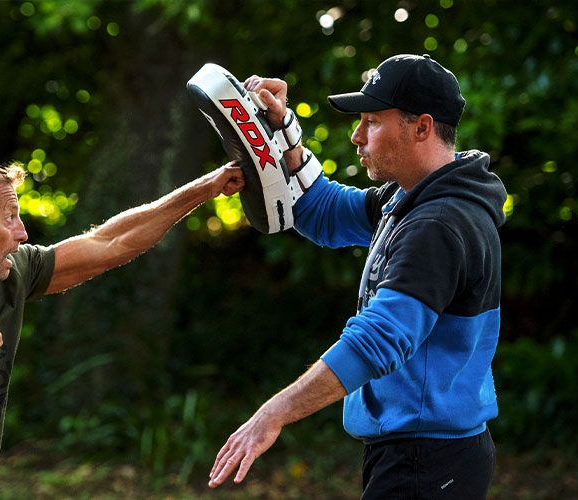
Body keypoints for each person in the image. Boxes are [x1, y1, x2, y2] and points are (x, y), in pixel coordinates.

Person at [0, 157, 244, 499]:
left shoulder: (9, 274)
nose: (22, 233)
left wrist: (205, 189)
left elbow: (111, 243)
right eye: (10, 217)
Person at [208, 54, 506, 499]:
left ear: (421, 127)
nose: (356, 136)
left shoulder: (438, 225)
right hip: (424, 454)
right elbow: (324, 212)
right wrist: (286, 136)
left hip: (426, 463)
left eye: (371, 121)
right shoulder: (411, 200)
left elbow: (379, 340)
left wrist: (274, 413)